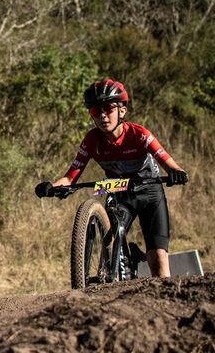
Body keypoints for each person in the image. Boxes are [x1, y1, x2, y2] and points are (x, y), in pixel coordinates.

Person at [35, 78, 188, 277]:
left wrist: (177, 172)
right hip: (119, 190)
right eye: (95, 111)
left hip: (150, 190)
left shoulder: (139, 134)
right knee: (111, 241)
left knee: (158, 258)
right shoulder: (92, 140)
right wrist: (52, 186)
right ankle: (112, 271)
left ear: (122, 110)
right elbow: (71, 176)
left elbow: (166, 160)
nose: (102, 115)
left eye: (108, 108)